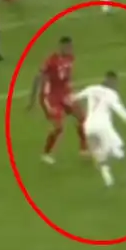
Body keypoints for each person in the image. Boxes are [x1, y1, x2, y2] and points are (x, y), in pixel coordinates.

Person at [71, 71, 126, 187]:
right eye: (116, 82)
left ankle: (108, 181)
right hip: (103, 126)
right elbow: (121, 113)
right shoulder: (112, 94)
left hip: (88, 127)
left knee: (100, 153)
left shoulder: (92, 88)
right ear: (112, 81)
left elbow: (73, 97)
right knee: (118, 149)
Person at [28, 36, 88, 164]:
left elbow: (68, 76)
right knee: (58, 127)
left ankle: (84, 149)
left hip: (65, 94)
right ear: (61, 47)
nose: (70, 49)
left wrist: (72, 91)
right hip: (51, 97)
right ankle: (46, 153)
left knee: (82, 118)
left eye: (71, 47)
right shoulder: (50, 61)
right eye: (68, 47)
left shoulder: (70, 58)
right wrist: (33, 100)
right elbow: (38, 78)